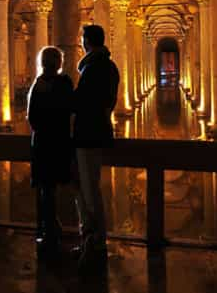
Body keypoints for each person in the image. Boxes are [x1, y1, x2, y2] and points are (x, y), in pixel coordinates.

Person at [72, 24, 120, 270]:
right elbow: (108, 101)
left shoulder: (92, 68)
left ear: (88, 41)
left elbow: (81, 101)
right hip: (99, 131)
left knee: (89, 189)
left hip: (88, 134)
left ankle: (97, 239)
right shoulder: (110, 67)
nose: (80, 42)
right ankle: (91, 236)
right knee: (89, 186)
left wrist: (63, 96)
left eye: (82, 38)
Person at [27, 46, 74, 258]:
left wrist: (42, 128)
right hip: (59, 141)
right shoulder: (64, 83)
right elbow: (70, 110)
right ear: (59, 63)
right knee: (56, 188)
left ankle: (48, 229)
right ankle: (53, 230)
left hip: (41, 142)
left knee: (45, 188)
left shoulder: (37, 85)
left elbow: (32, 117)